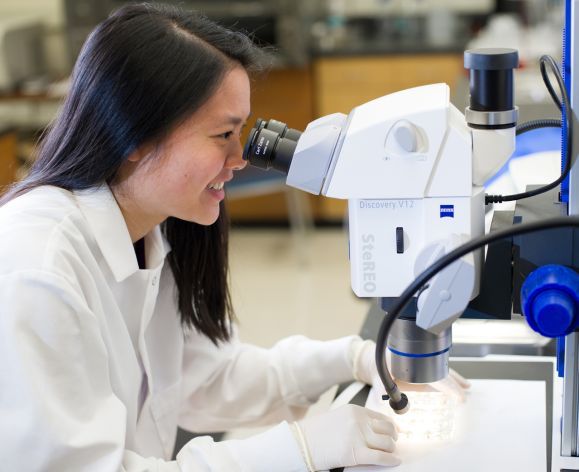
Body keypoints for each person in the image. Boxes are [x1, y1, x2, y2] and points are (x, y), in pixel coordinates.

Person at [0, 3, 468, 471]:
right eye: (223, 134)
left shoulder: (148, 232)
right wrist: (298, 450)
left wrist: (353, 358)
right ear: (135, 137)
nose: (241, 158)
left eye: (241, 132)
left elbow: (207, 379)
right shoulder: (36, 267)